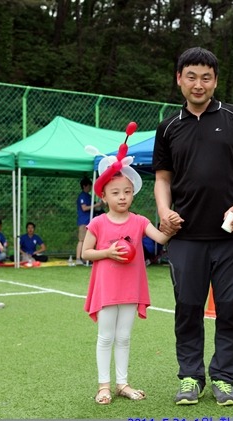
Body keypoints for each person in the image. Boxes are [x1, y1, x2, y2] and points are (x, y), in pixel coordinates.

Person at [152, 46, 233, 406]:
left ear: (215, 81)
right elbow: (163, 179)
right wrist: (164, 210)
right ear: (179, 79)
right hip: (185, 237)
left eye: (206, 77)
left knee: (231, 308)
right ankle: (190, 376)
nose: (198, 84)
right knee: (187, 308)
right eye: (191, 76)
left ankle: (225, 378)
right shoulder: (168, 127)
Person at [82, 141, 172, 405]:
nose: (122, 197)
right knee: (106, 337)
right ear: (104, 196)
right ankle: (104, 386)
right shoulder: (97, 223)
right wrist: (107, 253)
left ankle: (122, 384)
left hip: (131, 288)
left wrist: (171, 224)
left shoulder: (140, 221)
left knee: (123, 337)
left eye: (127, 192)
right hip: (107, 289)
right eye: (115, 192)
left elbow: (161, 238)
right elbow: (86, 253)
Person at [76, 177, 102, 265]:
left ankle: (86, 259)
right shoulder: (82, 196)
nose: (90, 188)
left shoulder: (89, 196)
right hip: (84, 220)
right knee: (81, 240)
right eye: (89, 186)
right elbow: (84, 208)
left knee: (89, 240)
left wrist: (99, 204)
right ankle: (78, 258)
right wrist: (96, 205)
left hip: (90, 221)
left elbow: (94, 207)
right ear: (84, 186)